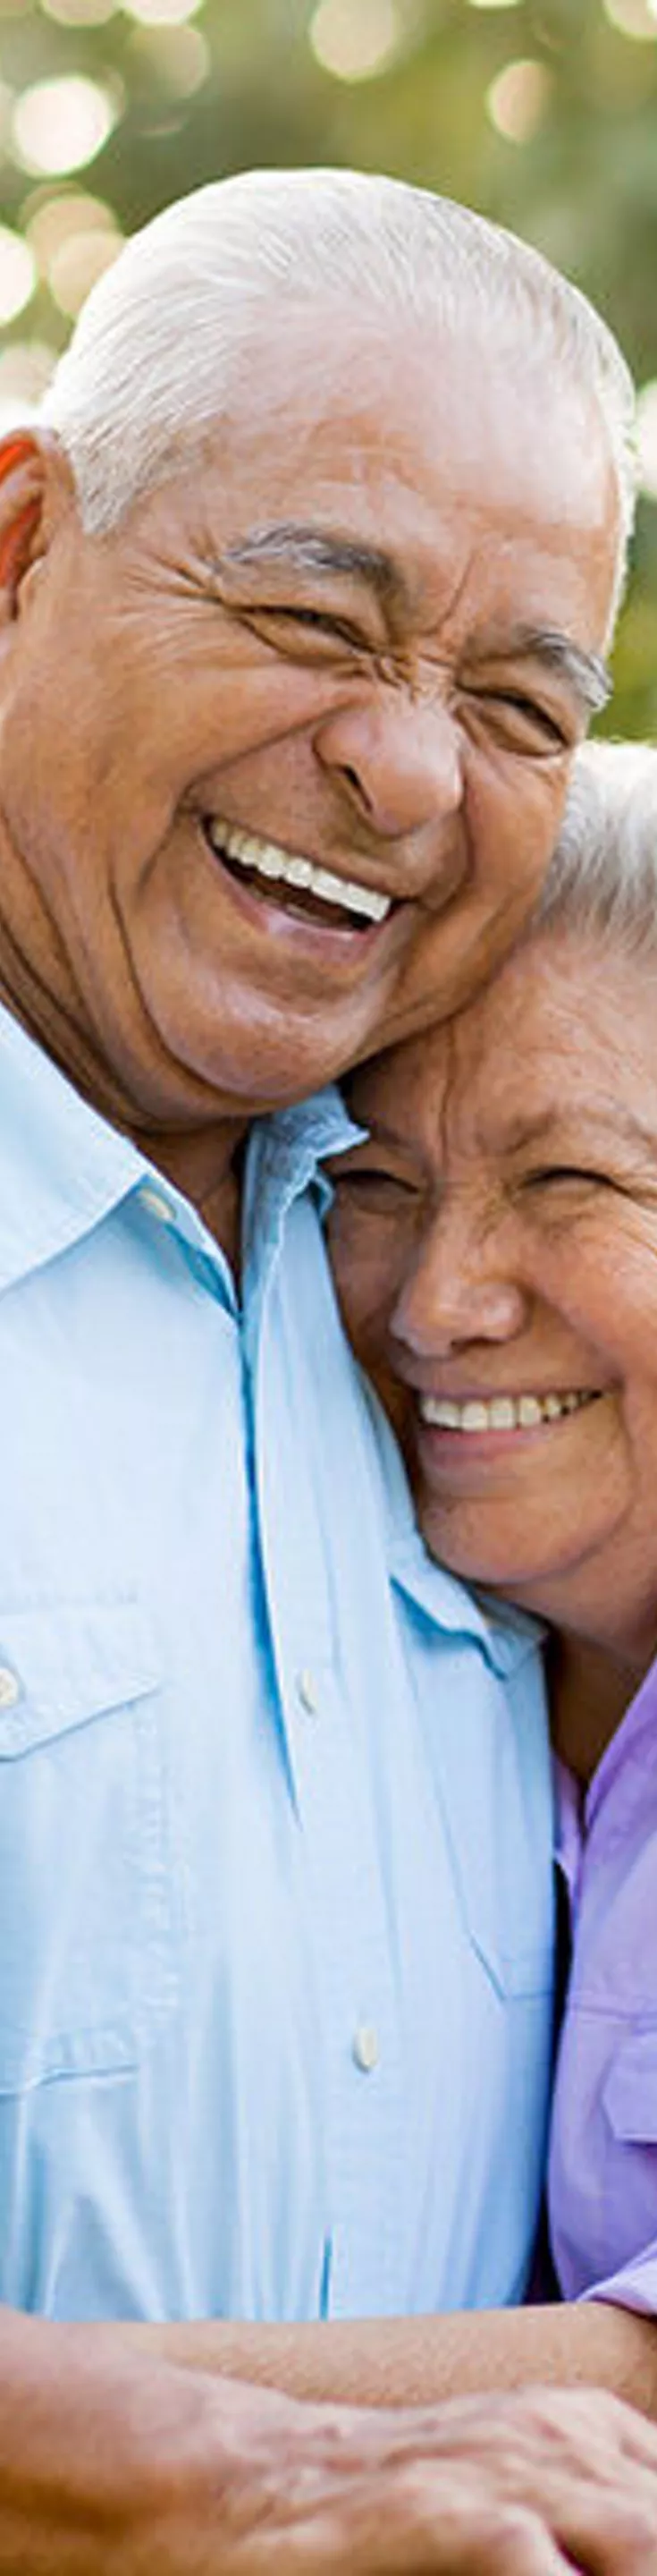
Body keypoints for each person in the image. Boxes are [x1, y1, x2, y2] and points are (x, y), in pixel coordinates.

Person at [0, 160, 648, 2572]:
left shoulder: (438, 1320)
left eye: (510, 705)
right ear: (19, 544)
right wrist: (246, 2483)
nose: (400, 773)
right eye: (309, 612)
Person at [319, 733, 657, 2416]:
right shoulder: (371, 1659)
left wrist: (73, 2426)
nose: (433, 1302)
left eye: (569, 1182)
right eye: (372, 1183)